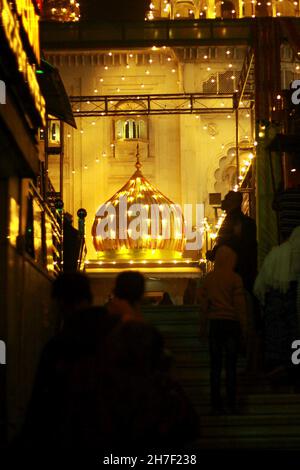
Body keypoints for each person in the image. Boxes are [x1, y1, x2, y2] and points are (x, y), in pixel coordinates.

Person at [199, 245, 247, 415]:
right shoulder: (235, 279)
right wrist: (244, 327)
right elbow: (240, 306)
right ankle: (232, 403)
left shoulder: (209, 279)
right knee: (231, 366)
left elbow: (204, 306)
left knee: (215, 366)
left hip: (215, 325)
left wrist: (202, 326)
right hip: (231, 325)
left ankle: (216, 404)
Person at [254, 226, 300, 377]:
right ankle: (294, 366)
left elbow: (261, 283)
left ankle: (276, 364)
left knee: (275, 333)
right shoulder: (295, 253)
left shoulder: (276, 253)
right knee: (294, 335)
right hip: (293, 296)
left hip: (274, 297)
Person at [207, 191, 257, 293]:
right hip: (247, 272)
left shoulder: (232, 221)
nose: (223, 201)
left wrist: (212, 254)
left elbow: (224, 243)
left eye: (226, 199)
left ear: (232, 202)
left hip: (233, 272)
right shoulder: (247, 222)